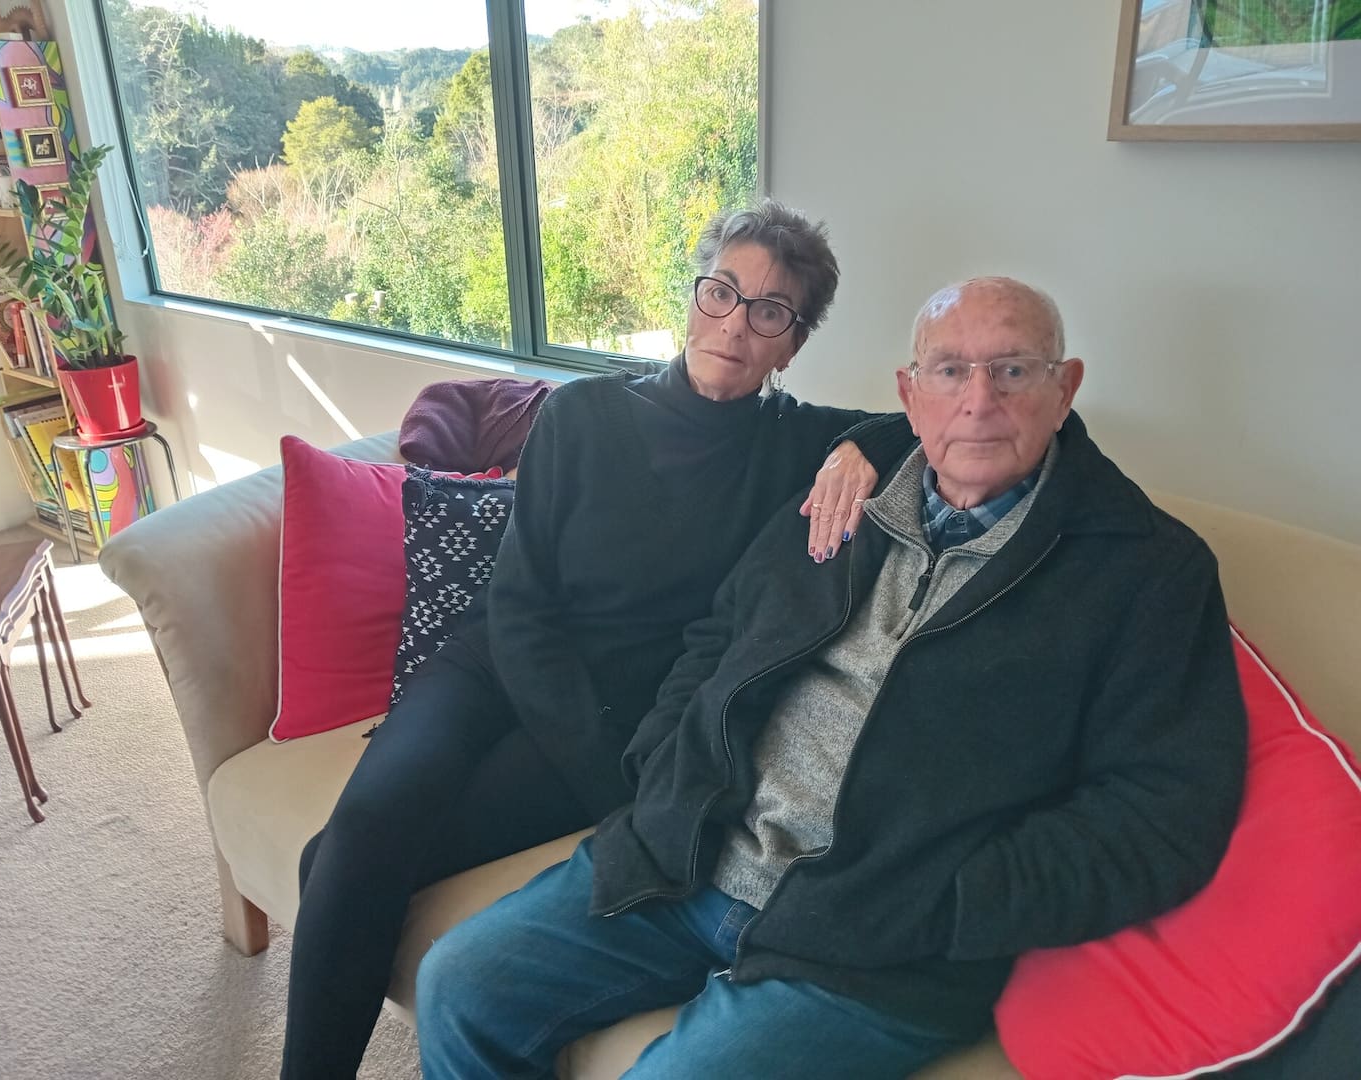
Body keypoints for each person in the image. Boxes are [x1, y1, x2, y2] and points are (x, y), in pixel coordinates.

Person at [415, 277, 1249, 1079]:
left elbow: (1161, 814)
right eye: (951, 370)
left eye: (1014, 369)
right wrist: (666, 765)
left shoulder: (1147, 570)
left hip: (876, 945)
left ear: (1065, 388)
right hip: (692, 857)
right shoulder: (843, 498)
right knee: (459, 983)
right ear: (910, 392)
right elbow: (720, 633)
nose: (979, 399)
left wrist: (955, 900)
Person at [281, 200, 903, 1078]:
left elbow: (937, 424)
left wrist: (859, 450)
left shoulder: (791, 444)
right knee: (362, 830)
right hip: (495, 667)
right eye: (722, 291)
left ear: (791, 343)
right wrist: (608, 775)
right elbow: (521, 602)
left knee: (333, 862)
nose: (736, 322)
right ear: (694, 295)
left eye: (770, 311)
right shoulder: (582, 417)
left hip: (616, 713)